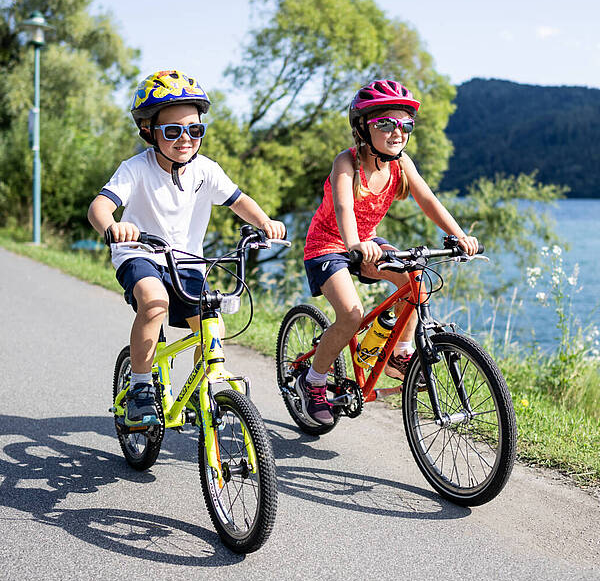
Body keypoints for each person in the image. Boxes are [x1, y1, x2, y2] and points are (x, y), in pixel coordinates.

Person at [88, 70, 285, 427]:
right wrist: (113, 227)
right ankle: (140, 386)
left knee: (213, 328)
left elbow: (239, 200)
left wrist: (264, 221)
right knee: (154, 302)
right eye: (173, 131)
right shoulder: (135, 169)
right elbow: (99, 207)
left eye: (195, 130)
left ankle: (201, 391)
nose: (186, 139)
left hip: (186, 262)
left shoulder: (206, 170)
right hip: (139, 253)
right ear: (148, 131)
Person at [301, 79, 478, 426]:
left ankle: (400, 353)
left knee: (416, 283)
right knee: (351, 315)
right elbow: (343, 207)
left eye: (405, 125)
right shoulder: (346, 162)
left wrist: (459, 235)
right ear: (362, 128)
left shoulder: (401, 163)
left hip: (367, 243)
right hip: (328, 246)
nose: (397, 132)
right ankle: (314, 381)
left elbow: (428, 200)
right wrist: (354, 244)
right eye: (385, 123)